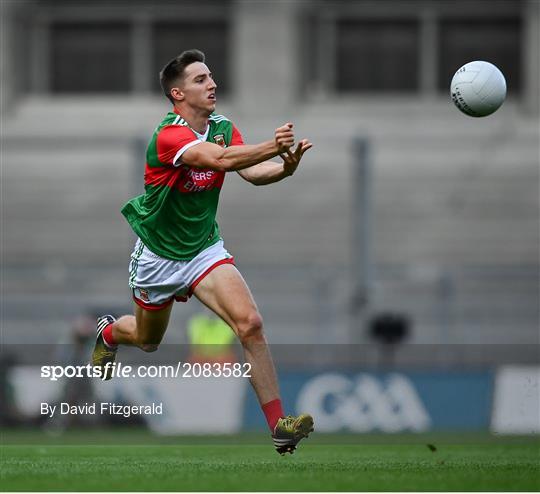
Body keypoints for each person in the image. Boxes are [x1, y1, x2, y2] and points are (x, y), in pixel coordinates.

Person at [92, 49, 313, 454]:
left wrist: (285, 166)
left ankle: (279, 426)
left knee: (250, 324)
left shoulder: (223, 126)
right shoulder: (169, 135)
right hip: (158, 256)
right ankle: (108, 331)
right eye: (200, 80)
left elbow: (250, 173)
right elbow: (223, 160)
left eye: (211, 77)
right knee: (146, 340)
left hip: (203, 250)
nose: (212, 84)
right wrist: (273, 144)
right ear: (177, 93)